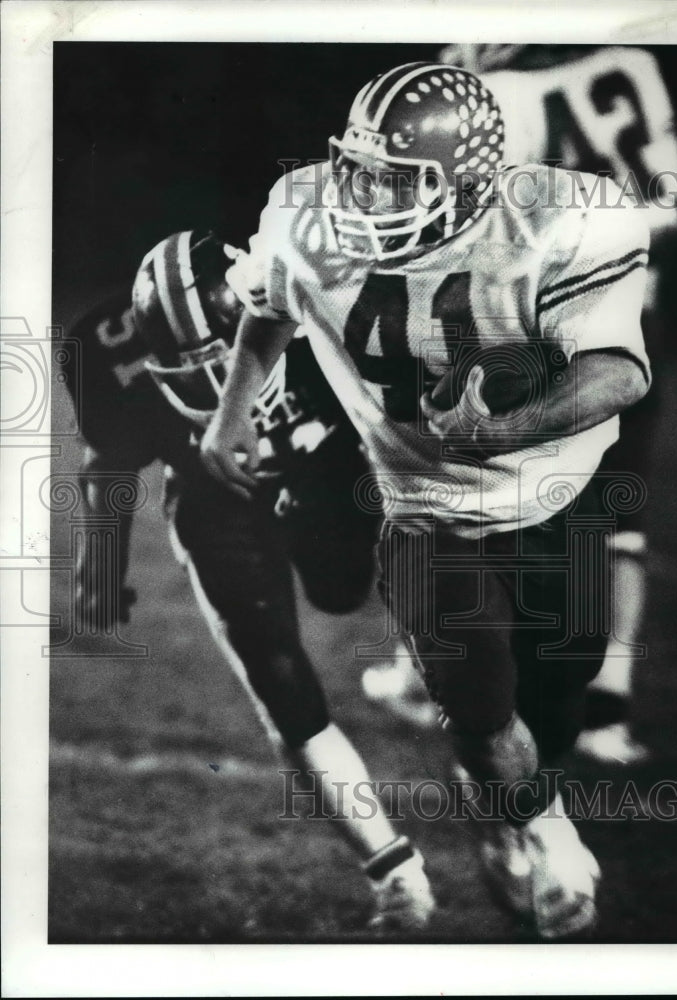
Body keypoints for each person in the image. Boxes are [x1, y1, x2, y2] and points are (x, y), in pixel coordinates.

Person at [201, 62, 651, 940]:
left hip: (553, 497)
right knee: (482, 715)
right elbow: (269, 303)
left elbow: (617, 373)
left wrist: (495, 432)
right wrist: (232, 411)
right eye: (358, 167)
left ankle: (510, 803)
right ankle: (539, 828)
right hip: (421, 508)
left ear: (471, 182)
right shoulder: (307, 215)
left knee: (555, 702)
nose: (367, 196)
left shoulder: (563, 219)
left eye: (399, 178)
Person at [58, 229, 436, 933]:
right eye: (184, 369)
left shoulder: (327, 309)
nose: (208, 388)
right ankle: (395, 875)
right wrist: (99, 566)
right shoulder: (106, 356)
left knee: (350, 586)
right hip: (215, 498)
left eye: (220, 363)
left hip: (329, 466)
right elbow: (107, 463)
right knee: (278, 680)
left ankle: (431, 680)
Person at [439, 42, 677, 764]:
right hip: (637, 309)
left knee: (489, 481)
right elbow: (666, 206)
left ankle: (479, 680)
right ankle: (605, 706)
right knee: (618, 511)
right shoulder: (629, 60)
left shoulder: (497, 87)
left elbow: (482, 221)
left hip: (543, 313)